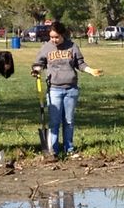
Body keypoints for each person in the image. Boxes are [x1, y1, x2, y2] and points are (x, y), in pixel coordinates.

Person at [31, 21, 102, 157]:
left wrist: (90, 70)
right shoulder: (46, 48)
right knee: (55, 122)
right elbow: (39, 64)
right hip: (54, 90)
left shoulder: (72, 46)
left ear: (62, 35)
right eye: (51, 37)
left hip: (71, 90)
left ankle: (69, 149)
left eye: (56, 37)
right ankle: (53, 150)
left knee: (69, 121)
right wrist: (36, 70)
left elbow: (80, 64)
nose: (54, 40)